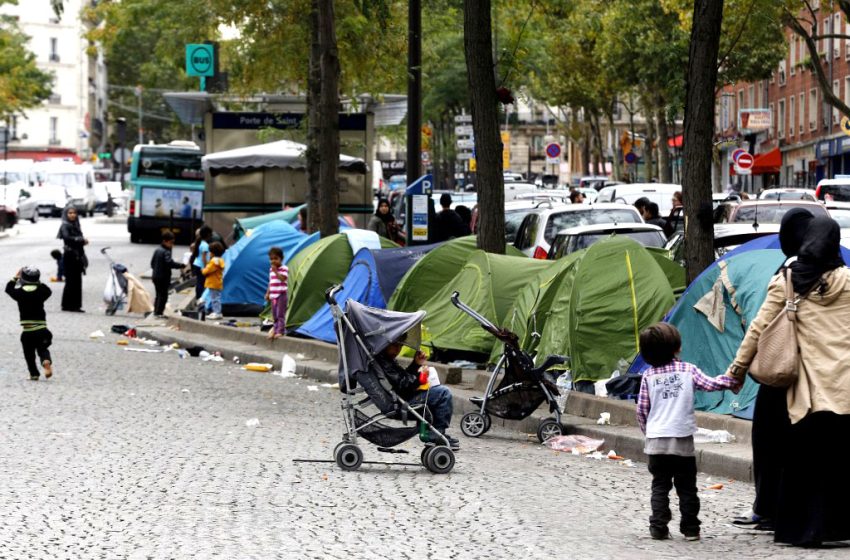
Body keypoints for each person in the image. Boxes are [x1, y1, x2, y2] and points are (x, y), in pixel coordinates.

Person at [725, 216, 850, 548]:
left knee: (803, 461)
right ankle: (838, 527)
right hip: (843, 384)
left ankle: (802, 530)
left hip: (805, 388)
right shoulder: (849, 281)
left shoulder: (788, 280)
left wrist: (736, 370)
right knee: (838, 459)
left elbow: (759, 329)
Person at [732, 208, 813, 531]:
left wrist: (737, 368)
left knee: (768, 441)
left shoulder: (788, 273)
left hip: (781, 373)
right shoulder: (835, 272)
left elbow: (760, 326)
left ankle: (766, 508)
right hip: (818, 376)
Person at [637, 322, 740, 541]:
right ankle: (691, 529)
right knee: (686, 488)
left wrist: (649, 432)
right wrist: (731, 381)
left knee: (660, 486)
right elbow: (710, 384)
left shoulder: (647, 377)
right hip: (682, 442)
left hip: (656, 442)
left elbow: (642, 410)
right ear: (677, 348)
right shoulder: (687, 370)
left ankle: (658, 527)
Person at [375, 338, 459, 450]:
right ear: (385, 345)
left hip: (401, 399)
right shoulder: (384, 363)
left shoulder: (387, 360)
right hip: (399, 404)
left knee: (436, 391)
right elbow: (403, 385)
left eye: (400, 346)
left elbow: (402, 379)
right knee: (443, 393)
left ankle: (434, 434)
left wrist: (415, 364)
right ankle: (436, 435)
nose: (398, 350)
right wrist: (420, 378)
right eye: (395, 345)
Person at [5, 267, 54, 380]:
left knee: (29, 354)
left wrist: (15, 278)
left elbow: (8, 289)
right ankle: (46, 361)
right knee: (42, 348)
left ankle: (34, 374)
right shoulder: (41, 291)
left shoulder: (19, 293)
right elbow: (48, 290)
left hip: (27, 331)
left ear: (22, 278)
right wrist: (38, 282)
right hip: (42, 329)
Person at [57, 206, 88, 312]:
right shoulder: (65, 225)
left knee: (77, 281)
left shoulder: (76, 225)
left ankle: (75, 305)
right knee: (70, 281)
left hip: (78, 255)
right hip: (69, 256)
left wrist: (82, 241)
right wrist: (80, 239)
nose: (72, 215)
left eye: (74, 213)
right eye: (70, 213)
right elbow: (67, 238)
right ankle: (67, 305)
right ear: (66, 214)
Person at [150, 230, 185, 318]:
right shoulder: (166, 252)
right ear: (165, 241)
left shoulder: (157, 250)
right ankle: (159, 313)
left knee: (158, 294)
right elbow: (169, 263)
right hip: (163, 277)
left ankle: (156, 311)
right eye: (171, 242)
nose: (172, 245)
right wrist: (181, 265)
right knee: (163, 295)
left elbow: (152, 263)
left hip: (155, 276)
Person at [265, 246, 288, 339]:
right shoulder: (271, 270)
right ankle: (275, 329)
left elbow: (283, 279)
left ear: (281, 258)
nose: (273, 261)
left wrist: (276, 272)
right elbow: (271, 282)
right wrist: (267, 293)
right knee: (274, 314)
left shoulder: (284, 268)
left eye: (276, 258)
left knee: (280, 314)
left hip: (281, 295)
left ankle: (280, 331)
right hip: (273, 295)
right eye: (271, 259)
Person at [201, 241, 225, 320]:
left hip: (213, 283)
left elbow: (207, 271)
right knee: (216, 298)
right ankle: (216, 312)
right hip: (217, 282)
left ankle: (217, 313)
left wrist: (202, 270)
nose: (209, 254)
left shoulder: (214, 261)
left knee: (215, 299)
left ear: (213, 253)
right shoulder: (219, 260)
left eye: (210, 252)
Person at [191, 225, 213, 301]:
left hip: (197, 264)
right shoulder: (205, 245)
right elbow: (204, 258)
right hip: (201, 266)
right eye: (210, 233)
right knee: (202, 283)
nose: (211, 235)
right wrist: (206, 268)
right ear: (208, 234)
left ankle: (199, 297)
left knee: (199, 282)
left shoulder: (201, 243)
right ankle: (200, 298)